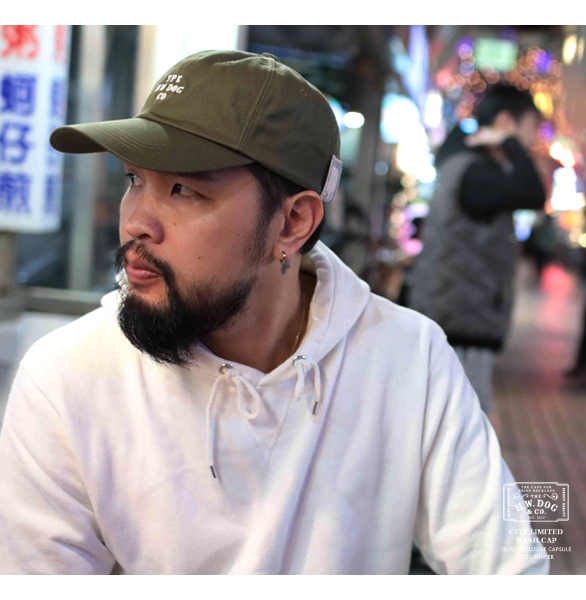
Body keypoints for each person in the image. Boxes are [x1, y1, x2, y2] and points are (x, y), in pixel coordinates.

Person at [0, 51, 548, 575]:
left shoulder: (409, 360)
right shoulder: (68, 377)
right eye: (134, 180)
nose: (136, 222)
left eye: (183, 189)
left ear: (292, 224)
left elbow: (507, 564)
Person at [409, 84, 547, 418]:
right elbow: (533, 193)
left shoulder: (467, 165)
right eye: (530, 129)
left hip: (457, 320)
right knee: (464, 425)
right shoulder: (477, 173)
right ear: (505, 122)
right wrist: (509, 143)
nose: (531, 142)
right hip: (462, 327)